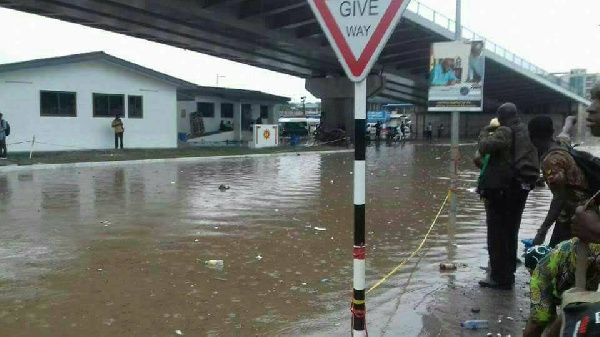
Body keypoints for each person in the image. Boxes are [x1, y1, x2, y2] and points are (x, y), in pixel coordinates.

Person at [477, 102, 540, 290]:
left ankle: (499, 277)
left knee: (497, 234)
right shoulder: (526, 131)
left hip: (502, 190)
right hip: (521, 188)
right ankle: (509, 270)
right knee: (511, 231)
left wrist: (486, 130)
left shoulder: (505, 131)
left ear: (501, 117)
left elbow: (483, 147)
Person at [529, 116, 589, 247]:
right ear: (552, 132)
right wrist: (570, 119)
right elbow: (566, 131)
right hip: (587, 208)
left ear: (533, 138)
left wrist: (542, 231)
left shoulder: (551, 161)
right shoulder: (562, 143)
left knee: (557, 258)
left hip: (572, 215)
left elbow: (559, 198)